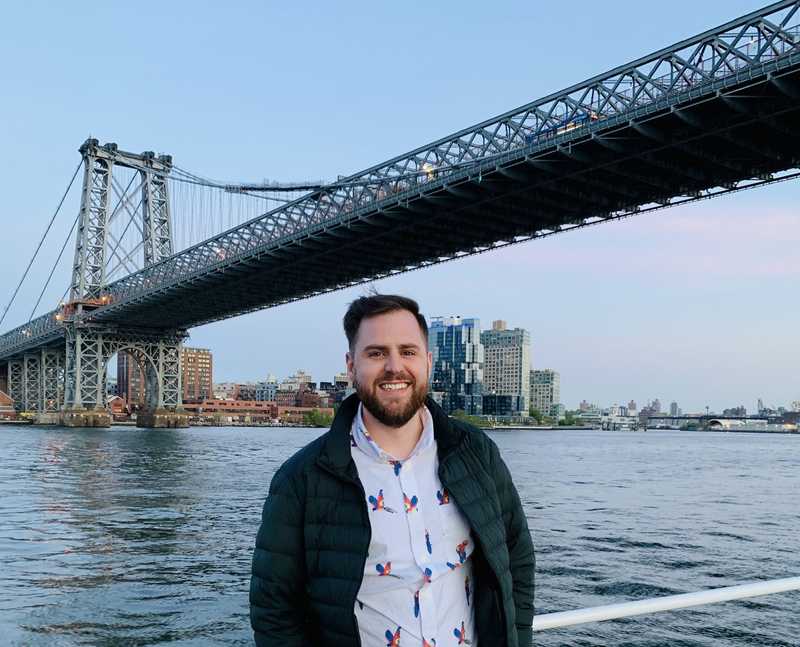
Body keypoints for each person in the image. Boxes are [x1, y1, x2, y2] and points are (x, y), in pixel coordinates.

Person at [250, 294, 534, 646]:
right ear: (351, 366)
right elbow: (274, 610)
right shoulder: (301, 480)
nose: (394, 367)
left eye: (408, 351)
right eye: (376, 353)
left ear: (428, 362)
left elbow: (517, 560)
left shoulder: (476, 453)